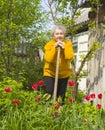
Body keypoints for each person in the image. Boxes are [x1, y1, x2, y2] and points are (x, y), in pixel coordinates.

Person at [43, 24, 74, 104]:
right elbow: (48, 59)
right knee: (49, 92)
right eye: (57, 34)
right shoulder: (49, 44)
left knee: (61, 95)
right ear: (53, 35)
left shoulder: (68, 44)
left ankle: (59, 112)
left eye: (61, 33)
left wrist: (64, 48)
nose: (59, 36)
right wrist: (55, 48)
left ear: (64, 35)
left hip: (64, 74)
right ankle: (47, 110)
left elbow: (69, 57)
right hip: (50, 72)